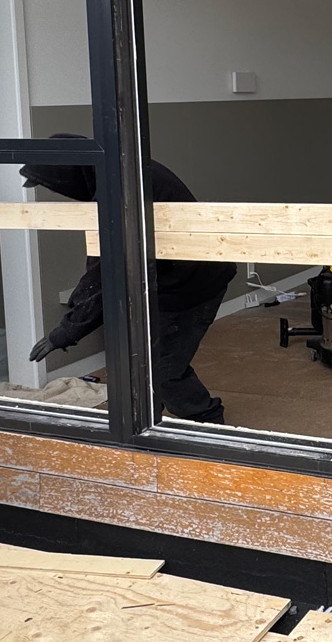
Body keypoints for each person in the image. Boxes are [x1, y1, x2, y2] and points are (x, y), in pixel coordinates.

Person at [23, 134, 235, 424]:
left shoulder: (121, 191)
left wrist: (65, 332)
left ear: (69, 175)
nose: (53, 194)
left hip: (195, 284)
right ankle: (149, 421)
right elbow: (102, 265)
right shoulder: (117, 172)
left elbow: (105, 274)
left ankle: (209, 422)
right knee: (140, 359)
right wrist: (77, 308)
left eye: (52, 187)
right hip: (167, 278)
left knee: (164, 369)